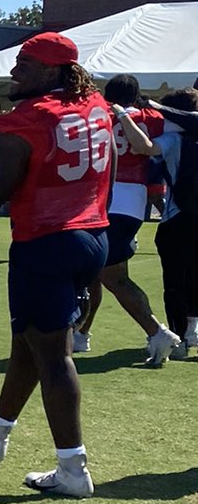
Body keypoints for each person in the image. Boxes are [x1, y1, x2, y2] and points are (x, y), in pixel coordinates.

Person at [0, 32, 114, 497]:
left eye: (25, 65)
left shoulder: (30, 119)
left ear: (51, 71)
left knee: (53, 355)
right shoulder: (95, 105)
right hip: (93, 234)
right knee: (28, 342)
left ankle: (73, 467)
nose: (14, 71)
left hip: (46, 240)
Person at [74, 74, 179, 364]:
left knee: (112, 275)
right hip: (133, 201)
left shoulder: (98, 115)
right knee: (93, 271)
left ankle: (157, 332)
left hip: (104, 198)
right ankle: (81, 334)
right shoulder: (151, 118)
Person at [152, 88, 198, 354]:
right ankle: (192, 331)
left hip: (176, 218)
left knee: (174, 282)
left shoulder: (171, 139)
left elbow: (147, 149)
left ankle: (179, 338)